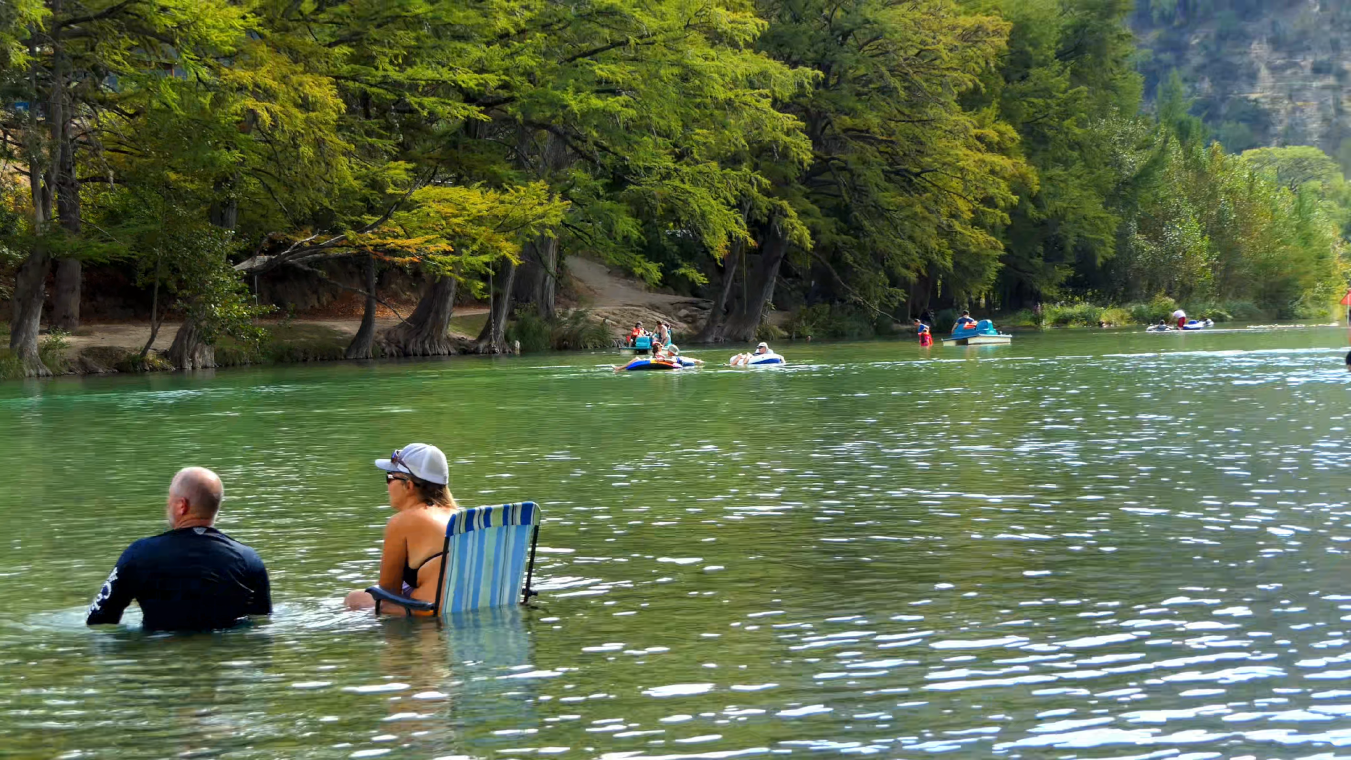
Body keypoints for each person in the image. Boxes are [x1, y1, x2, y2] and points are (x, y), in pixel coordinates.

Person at [86, 467, 271, 632]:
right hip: (222, 662)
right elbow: (261, 623)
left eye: (169, 498)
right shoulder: (249, 560)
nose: (167, 503)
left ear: (182, 505)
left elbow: (97, 619)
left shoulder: (139, 554)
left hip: (160, 660)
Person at [345, 444, 459, 615]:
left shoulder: (402, 522)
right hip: (464, 606)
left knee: (354, 599)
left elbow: (387, 591)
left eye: (390, 477)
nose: (387, 485)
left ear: (409, 485)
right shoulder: (459, 518)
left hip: (427, 613)